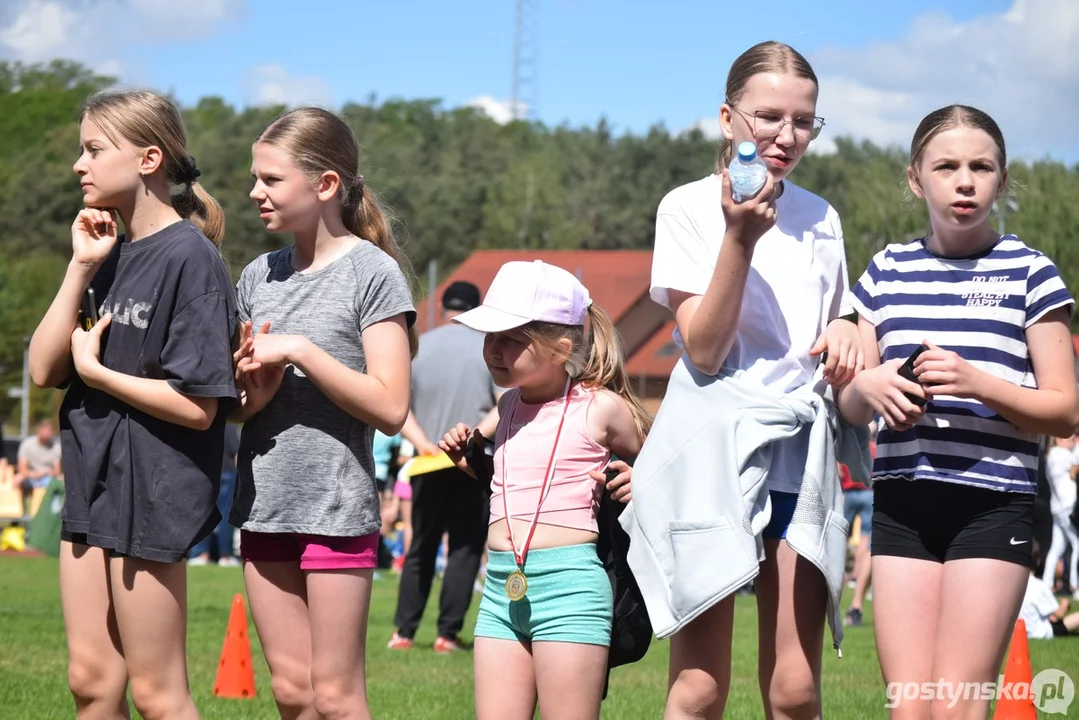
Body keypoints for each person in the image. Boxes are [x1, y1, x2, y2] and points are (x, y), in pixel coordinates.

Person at [634, 41, 863, 720]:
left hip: (798, 448)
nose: (786, 136)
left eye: (803, 121)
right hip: (713, 445)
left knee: (793, 692)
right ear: (727, 118)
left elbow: (831, 322)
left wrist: (850, 324)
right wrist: (739, 238)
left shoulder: (821, 216)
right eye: (768, 117)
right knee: (699, 689)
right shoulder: (686, 208)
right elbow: (703, 350)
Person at [840, 104, 1079, 719]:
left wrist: (977, 382)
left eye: (981, 166)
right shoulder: (887, 271)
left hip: (992, 506)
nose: (965, 180)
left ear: (1002, 179)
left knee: (957, 707)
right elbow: (851, 397)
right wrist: (875, 387)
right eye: (947, 166)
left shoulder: (1031, 274)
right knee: (909, 708)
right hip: (901, 504)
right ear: (918, 178)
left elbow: (1064, 410)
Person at [28, 88, 235, 720]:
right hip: (91, 482)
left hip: (155, 492)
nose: (78, 164)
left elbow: (200, 408)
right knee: (91, 681)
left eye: (94, 149)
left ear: (148, 159)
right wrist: (80, 269)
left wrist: (99, 374)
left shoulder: (191, 260)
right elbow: (42, 368)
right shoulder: (105, 252)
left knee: (156, 693)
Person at [231, 106, 416, 720]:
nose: (255, 192)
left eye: (271, 179)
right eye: (256, 178)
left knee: (335, 698)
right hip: (264, 504)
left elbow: (391, 406)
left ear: (326, 184)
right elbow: (242, 408)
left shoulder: (373, 272)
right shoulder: (258, 276)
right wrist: (250, 393)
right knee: (290, 691)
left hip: (336, 508)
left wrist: (301, 350)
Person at [438, 260, 645, 719]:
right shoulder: (506, 404)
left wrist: (641, 479)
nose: (493, 350)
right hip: (500, 587)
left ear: (560, 348)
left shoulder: (600, 408)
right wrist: (464, 456)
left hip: (570, 588)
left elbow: (656, 463)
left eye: (511, 339)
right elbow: (506, 479)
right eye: (490, 337)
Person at [389, 281, 502, 653]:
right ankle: (446, 634)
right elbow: (505, 405)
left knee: (421, 545)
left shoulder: (420, 347)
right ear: (477, 307)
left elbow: (397, 405)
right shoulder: (491, 348)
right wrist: (471, 443)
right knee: (465, 548)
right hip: (471, 462)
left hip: (426, 461)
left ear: (443, 306)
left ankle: (403, 633)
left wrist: (423, 443)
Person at [188, 423, 242, 566]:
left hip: (206, 472)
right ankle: (224, 555)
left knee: (203, 514)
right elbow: (236, 452)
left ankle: (202, 554)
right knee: (225, 516)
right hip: (227, 473)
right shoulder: (230, 428)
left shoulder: (202, 426)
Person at [1021, 540, 1079, 639]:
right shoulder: (1038, 585)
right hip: (1039, 632)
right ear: (1038, 561)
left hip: (1016, 632)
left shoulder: (1012, 584)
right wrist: (1064, 604)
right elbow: (1058, 615)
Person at [1043, 435, 1078, 594]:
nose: (1072, 441)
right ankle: (1075, 585)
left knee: (1057, 547)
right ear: (1057, 439)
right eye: (1069, 439)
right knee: (1077, 543)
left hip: (1057, 506)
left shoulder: (1051, 455)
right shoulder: (1061, 454)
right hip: (1067, 505)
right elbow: (1074, 468)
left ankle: (1047, 582)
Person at [15, 419, 62, 514]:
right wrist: (36, 474)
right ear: (39, 430)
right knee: (17, 480)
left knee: (61, 482)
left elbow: (57, 471)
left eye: (50, 431)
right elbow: (22, 469)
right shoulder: (27, 444)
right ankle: (18, 515)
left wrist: (47, 473)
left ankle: (54, 514)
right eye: (46, 430)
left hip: (48, 479)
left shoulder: (56, 447)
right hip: (30, 477)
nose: (48, 433)